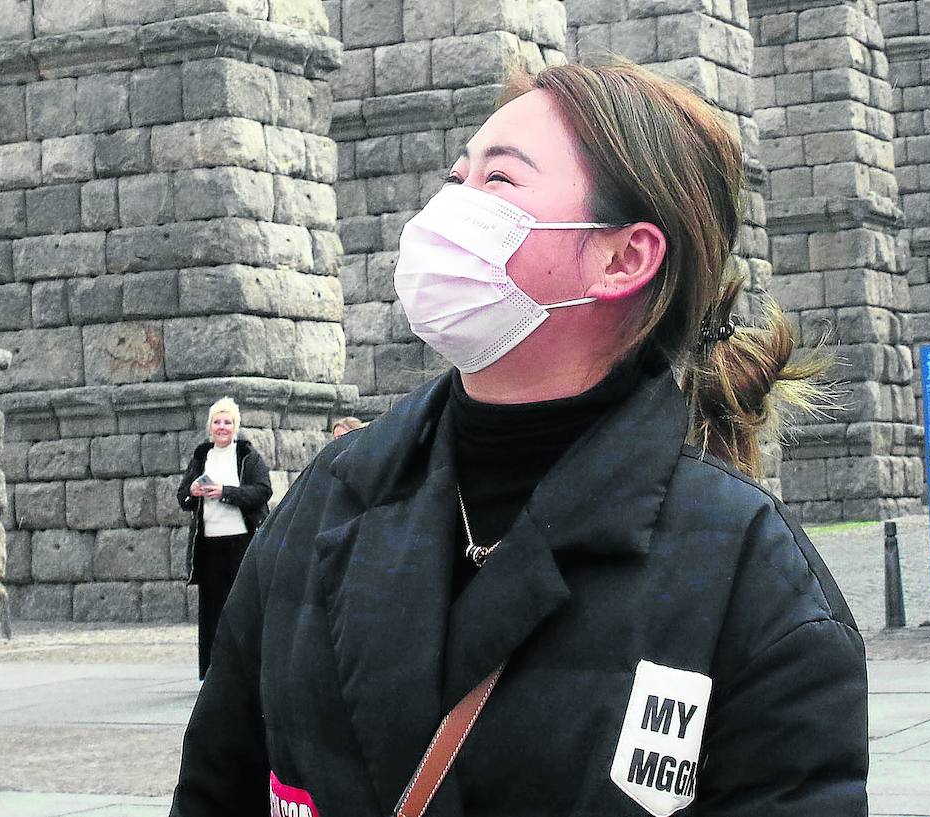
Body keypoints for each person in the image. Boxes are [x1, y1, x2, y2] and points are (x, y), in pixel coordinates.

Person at [170, 57, 867, 817]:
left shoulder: (752, 578)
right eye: (456, 177)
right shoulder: (329, 498)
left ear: (624, 257)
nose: (446, 211)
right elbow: (217, 783)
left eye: (498, 182)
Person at [174, 397, 272, 680]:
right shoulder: (202, 455)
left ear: (235, 426)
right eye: (217, 422)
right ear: (210, 427)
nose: (222, 427)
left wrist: (225, 492)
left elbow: (262, 490)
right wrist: (193, 491)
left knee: (241, 605)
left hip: (240, 541)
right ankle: (213, 672)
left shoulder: (247, 456)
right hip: (209, 544)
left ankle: (246, 669)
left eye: (227, 422)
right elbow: (183, 497)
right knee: (211, 610)